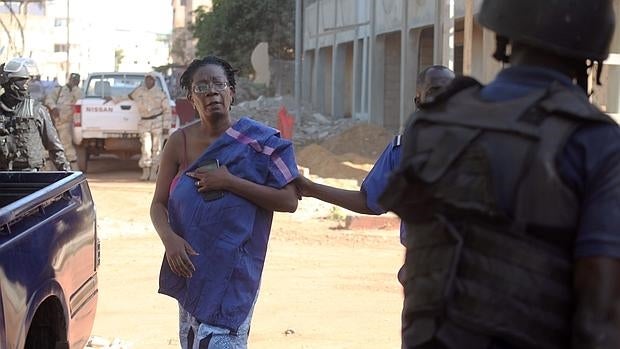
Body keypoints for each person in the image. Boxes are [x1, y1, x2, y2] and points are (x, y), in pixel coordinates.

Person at [378, 1, 620, 348]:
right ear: (592, 54)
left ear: (502, 34)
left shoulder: (432, 123)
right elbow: (601, 318)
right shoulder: (595, 141)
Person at [150, 56, 299, 349]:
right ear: (191, 99)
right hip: (191, 268)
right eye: (201, 87)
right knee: (194, 341)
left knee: (219, 341)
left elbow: (289, 200)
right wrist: (170, 240)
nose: (211, 92)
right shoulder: (178, 142)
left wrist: (230, 182)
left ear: (232, 92)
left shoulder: (258, 142)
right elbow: (158, 204)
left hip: (234, 270)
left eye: (219, 84)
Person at [295, 65, 455, 243]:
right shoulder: (400, 151)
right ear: (419, 102)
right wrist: (311, 188)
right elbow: (369, 201)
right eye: (435, 91)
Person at [0, 57, 70, 171]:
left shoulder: (37, 110)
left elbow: (54, 147)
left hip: (31, 176)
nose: (25, 85)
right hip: (3, 178)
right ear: (9, 83)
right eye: (22, 81)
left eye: (27, 81)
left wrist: (67, 173)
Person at [125, 73, 172, 181]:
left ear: (154, 81)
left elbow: (167, 111)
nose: (148, 81)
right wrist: (113, 98)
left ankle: (154, 173)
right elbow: (128, 96)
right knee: (146, 148)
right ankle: (145, 172)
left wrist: (166, 126)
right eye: (147, 79)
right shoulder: (139, 91)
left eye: (151, 79)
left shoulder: (160, 93)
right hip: (144, 123)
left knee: (157, 148)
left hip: (157, 123)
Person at [44, 72, 82, 170]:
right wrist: (53, 108)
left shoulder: (78, 91)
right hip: (53, 122)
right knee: (49, 145)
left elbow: (80, 101)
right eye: (73, 79)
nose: (74, 81)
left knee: (67, 146)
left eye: (76, 80)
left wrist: (74, 89)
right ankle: (49, 170)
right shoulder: (59, 90)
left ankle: (74, 169)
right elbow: (48, 99)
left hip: (66, 123)